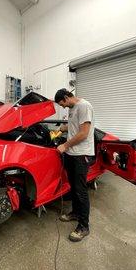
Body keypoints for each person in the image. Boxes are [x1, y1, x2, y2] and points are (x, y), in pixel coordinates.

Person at [54, 88, 95, 242]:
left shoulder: (84, 106)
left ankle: (84, 226)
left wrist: (65, 145)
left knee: (81, 191)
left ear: (66, 97)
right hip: (72, 154)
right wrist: (60, 128)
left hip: (81, 154)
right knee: (73, 187)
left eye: (62, 103)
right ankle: (76, 213)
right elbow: (73, 127)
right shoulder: (73, 108)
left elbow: (84, 133)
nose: (63, 107)